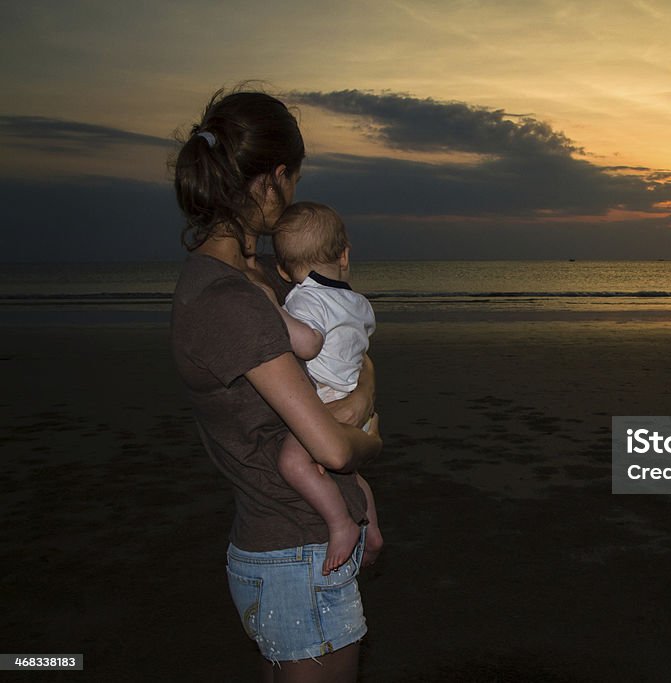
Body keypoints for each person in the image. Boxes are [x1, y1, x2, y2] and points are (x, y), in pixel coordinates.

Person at [171, 88, 380, 681]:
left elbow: (342, 354)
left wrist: (361, 381)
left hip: (293, 545)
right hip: (295, 551)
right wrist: (368, 410)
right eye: (293, 180)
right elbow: (336, 446)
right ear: (275, 179)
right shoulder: (231, 300)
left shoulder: (255, 278)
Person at [268, 201, 384, 576]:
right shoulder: (359, 303)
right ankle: (373, 529)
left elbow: (307, 345)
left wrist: (275, 309)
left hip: (328, 402)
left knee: (292, 462)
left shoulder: (304, 298)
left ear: (284, 270)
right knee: (353, 477)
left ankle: (341, 524)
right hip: (357, 406)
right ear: (345, 256)